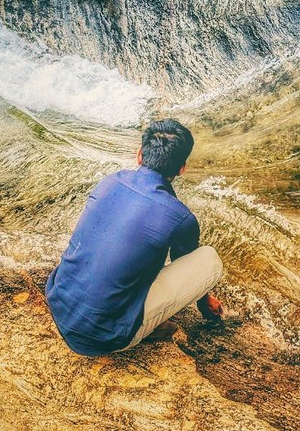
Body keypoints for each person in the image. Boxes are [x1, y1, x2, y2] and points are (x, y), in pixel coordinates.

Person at [45, 118, 224, 356]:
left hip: (58, 303)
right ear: (182, 168)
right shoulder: (181, 216)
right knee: (209, 259)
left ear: (139, 155)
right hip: (104, 339)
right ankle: (142, 329)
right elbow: (185, 262)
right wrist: (205, 303)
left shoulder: (110, 181)